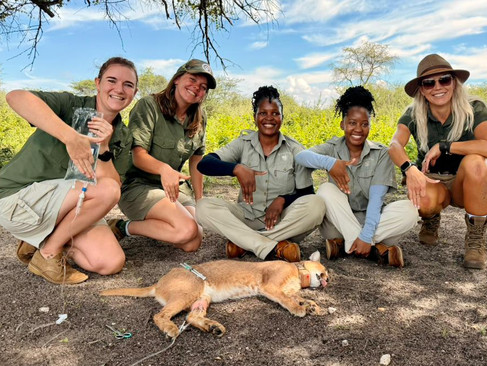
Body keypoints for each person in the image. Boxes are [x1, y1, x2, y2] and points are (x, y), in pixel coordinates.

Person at [0, 57, 139, 284]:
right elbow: (15, 97)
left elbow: (114, 186)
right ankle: (48, 253)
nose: (119, 89)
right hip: (16, 200)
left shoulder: (122, 135)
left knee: (110, 262)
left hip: (66, 204)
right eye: (111, 81)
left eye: (128, 85)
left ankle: (43, 239)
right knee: (105, 191)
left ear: (134, 92)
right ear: (98, 83)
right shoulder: (70, 104)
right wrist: (70, 137)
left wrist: (103, 147)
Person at [195, 86, 325, 262]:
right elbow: (205, 164)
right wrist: (236, 169)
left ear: (282, 117)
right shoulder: (243, 143)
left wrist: (283, 200)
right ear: (255, 117)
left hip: (282, 222)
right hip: (245, 217)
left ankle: (245, 242)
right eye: (263, 113)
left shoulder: (295, 149)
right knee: (203, 207)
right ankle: (272, 246)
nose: (269, 118)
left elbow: (307, 193)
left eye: (275, 113)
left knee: (316, 204)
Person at [296, 86, 418, 268]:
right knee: (326, 190)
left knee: (411, 210)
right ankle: (375, 249)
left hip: (374, 221)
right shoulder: (332, 148)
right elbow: (301, 156)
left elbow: (376, 200)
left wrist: (367, 234)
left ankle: (348, 245)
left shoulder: (382, 153)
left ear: (369, 125)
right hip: (337, 223)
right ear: (343, 125)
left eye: (364, 124)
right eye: (352, 123)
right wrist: (331, 164)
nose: (358, 129)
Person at [389, 54, 487, 269]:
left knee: (477, 163)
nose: (437, 87)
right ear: (421, 89)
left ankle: (476, 237)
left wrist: (446, 146)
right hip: (432, 179)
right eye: (429, 83)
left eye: (444, 79)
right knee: (423, 202)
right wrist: (409, 169)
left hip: (465, 182)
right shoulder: (413, 114)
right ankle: (430, 217)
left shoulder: (475, 108)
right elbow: (395, 145)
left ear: (454, 82)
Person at [109, 59, 216, 252]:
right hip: (138, 186)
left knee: (193, 241)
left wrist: (199, 200)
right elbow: (137, 156)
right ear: (176, 79)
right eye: (192, 79)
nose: (196, 88)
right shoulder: (148, 106)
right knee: (186, 230)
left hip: (173, 188)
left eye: (203, 87)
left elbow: (196, 159)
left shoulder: (200, 117)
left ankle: (140, 225)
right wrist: (164, 169)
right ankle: (122, 227)